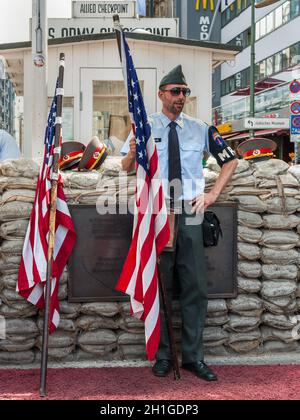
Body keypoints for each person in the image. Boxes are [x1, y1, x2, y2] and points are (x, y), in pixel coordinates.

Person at [121, 65, 238, 382]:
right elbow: (126, 165)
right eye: (175, 91)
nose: (181, 97)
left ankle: (193, 357)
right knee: (160, 286)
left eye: (185, 92)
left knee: (195, 287)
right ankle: (162, 356)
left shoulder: (201, 128)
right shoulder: (145, 127)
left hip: (190, 212)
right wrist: (133, 154)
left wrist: (212, 193)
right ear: (161, 95)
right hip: (158, 213)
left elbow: (231, 159)